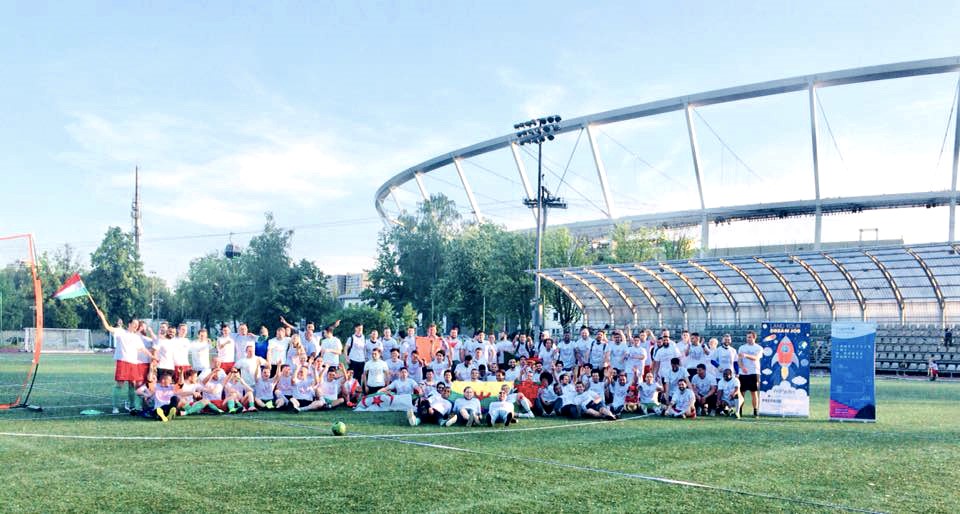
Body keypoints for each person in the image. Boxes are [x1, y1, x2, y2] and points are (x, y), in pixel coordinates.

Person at [95, 307, 154, 414]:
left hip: (133, 363)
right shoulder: (120, 332)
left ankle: (132, 406)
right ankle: (115, 407)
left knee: (132, 384)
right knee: (120, 384)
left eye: (137, 325)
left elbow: (142, 349)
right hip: (122, 361)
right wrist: (102, 317)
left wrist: (152, 356)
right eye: (134, 324)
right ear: (129, 324)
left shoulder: (136, 337)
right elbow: (108, 327)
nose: (136, 326)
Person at [737, 330, 762, 417]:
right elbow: (739, 360)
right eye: (747, 337)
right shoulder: (742, 347)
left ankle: (755, 411)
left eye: (750, 337)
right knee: (741, 393)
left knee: (754, 393)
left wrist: (746, 355)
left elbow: (756, 358)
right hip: (743, 374)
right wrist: (742, 367)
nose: (748, 339)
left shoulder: (758, 348)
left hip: (754, 372)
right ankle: (739, 411)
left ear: (754, 338)